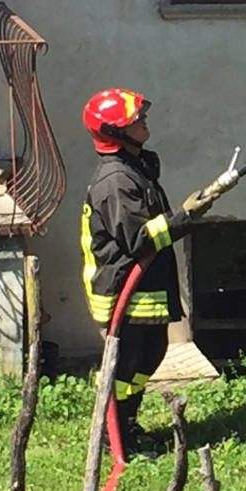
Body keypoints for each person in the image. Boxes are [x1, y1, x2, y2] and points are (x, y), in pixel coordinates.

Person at [80, 87, 215, 456]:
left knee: (147, 358)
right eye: (133, 119)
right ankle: (115, 437)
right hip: (125, 289)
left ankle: (124, 426)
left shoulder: (134, 167)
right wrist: (186, 218)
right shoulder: (116, 181)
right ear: (115, 132)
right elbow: (139, 238)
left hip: (143, 285)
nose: (143, 120)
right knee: (129, 366)